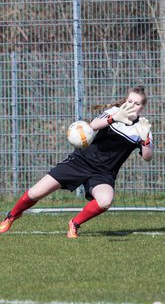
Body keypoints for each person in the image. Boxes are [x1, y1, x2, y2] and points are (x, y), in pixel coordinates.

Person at [0, 85, 153, 238]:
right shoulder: (114, 112)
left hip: (103, 173)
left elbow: (147, 157)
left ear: (143, 107)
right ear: (126, 100)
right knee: (34, 193)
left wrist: (145, 139)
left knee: (105, 201)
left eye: (137, 104)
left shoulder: (143, 128)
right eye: (130, 101)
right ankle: (11, 216)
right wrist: (114, 118)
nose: (132, 106)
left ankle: (74, 223)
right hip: (80, 161)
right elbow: (92, 125)